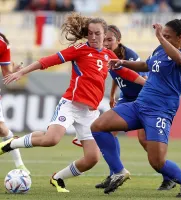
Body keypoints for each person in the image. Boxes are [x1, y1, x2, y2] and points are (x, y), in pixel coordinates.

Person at [0, 13, 145, 193]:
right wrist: (21, 73)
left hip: (90, 113)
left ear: (104, 34)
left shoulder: (109, 56)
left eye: (97, 33)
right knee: (51, 139)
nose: (93, 37)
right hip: (71, 104)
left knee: (92, 158)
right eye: (90, 33)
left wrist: (149, 85)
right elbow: (48, 61)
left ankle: (58, 178)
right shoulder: (79, 49)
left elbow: (128, 74)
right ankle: (10, 144)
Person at [91, 14, 181, 197]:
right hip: (139, 105)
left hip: (160, 112)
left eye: (169, 36)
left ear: (180, 38)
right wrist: (123, 63)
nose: (165, 39)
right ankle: (118, 172)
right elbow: (146, 65)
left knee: (157, 162)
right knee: (98, 126)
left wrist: (161, 38)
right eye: (164, 35)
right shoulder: (159, 50)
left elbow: (180, 60)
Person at [94, 24, 148, 189]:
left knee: (145, 140)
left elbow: (141, 79)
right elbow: (117, 76)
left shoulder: (130, 56)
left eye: (110, 40)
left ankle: (168, 176)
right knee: (108, 132)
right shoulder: (107, 56)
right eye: (104, 40)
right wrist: (112, 95)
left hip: (143, 98)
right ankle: (115, 174)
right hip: (126, 97)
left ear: (119, 40)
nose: (107, 43)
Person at [0, 33, 30, 174]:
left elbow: (6, 75)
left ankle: (20, 165)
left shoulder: (3, 45)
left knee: (2, 130)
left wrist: (14, 72)